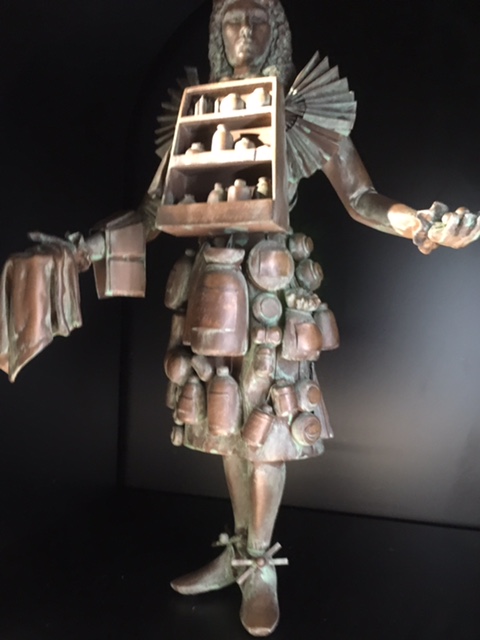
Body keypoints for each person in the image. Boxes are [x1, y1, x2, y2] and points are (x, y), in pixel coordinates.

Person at [1, 0, 479, 637]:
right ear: (216, 33)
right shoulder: (201, 113)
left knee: (268, 427)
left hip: (272, 289)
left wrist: (419, 223)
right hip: (212, 282)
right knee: (227, 426)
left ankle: (258, 564)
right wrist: (83, 249)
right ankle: (243, 554)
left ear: (276, 31)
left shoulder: (300, 110)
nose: (244, 33)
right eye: (232, 21)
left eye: (257, 20)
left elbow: (361, 196)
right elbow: (154, 212)